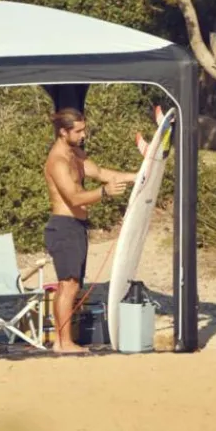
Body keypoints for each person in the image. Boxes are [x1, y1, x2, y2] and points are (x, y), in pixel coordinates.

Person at [43, 108, 139, 354]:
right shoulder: (57, 161)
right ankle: (63, 343)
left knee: (72, 285)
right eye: (78, 131)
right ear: (63, 132)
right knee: (68, 285)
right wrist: (104, 192)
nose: (83, 135)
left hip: (76, 227)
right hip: (63, 227)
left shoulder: (76, 154)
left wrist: (137, 176)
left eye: (84, 129)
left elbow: (101, 173)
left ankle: (62, 341)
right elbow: (74, 198)